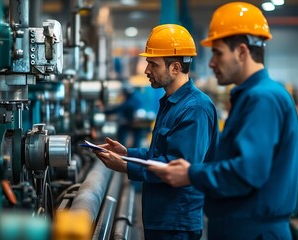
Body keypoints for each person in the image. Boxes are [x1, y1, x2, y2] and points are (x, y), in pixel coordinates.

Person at [148, 2, 298, 240]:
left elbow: (248, 171)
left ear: (241, 52)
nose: (211, 63)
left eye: (217, 53)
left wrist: (192, 174)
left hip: (253, 232)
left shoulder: (262, 98)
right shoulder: (254, 96)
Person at [93, 24, 219, 240]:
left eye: (153, 64)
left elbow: (177, 167)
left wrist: (125, 166)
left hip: (176, 222)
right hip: (161, 218)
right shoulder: (171, 103)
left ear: (175, 68)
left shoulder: (195, 108)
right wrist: (127, 152)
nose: (146, 71)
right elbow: (160, 153)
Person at [103, 81, 145, 148]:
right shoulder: (135, 97)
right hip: (136, 122)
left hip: (133, 122)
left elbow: (119, 108)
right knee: (137, 136)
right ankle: (134, 148)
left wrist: (105, 111)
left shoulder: (130, 101)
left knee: (123, 130)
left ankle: (122, 147)